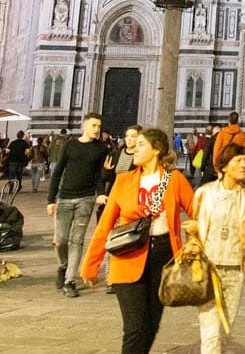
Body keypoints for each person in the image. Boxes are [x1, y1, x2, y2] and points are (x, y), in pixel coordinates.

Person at [81, 128, 195, 354]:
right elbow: (104, 226)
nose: (133, 147)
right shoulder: (123, 181)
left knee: (150, 326)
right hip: (127, 256)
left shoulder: (174, 180)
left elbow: (198, 211)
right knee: (134, 327)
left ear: (157, 150)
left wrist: (195, 232)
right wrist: (90, 266)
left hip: (163, 258)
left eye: (141, 144)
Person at [187, 143, 245, 354]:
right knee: (210, 330)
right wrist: (192, 240)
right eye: (238, 161)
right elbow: (194, 226)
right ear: (223, 167)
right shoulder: (204, 193)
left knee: (225, 326)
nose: (244, 165)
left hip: (236, 268)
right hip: (208, 267)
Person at [47, 112, 111, 297]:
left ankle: (69, 280)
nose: (97, 129)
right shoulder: (71, 145)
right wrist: (51, 199)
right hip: (65, 198)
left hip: (86, 199)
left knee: (77, 240)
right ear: (84, 126)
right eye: (93, 126)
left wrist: (100, 194)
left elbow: (99, 175)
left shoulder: (101, 148)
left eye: (99, 126)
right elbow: (58, 172)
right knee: (60, 240)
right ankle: (62, 266)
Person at [211, 113, 245, 178]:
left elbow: (216, 152)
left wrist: (217, 168)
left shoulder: (222, 134)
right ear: (238, 121)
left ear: (228, 121)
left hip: (224, 166)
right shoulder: (242, 135)